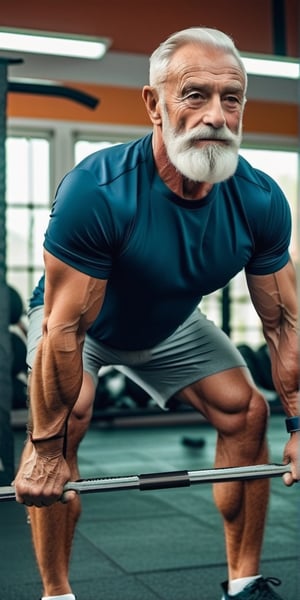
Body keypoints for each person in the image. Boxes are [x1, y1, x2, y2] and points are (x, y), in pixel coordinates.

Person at [14, 27, 299, 600]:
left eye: (232, 97)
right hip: (84, 326)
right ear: (154, 104)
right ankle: (57, 593)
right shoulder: (99, 190)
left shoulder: (261, 199)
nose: (216, 115)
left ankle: (243, 582)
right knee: (69, 415)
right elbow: (64, 328)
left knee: (245, 411)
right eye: (195, 94)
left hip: (171, 324)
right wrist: (45, 450)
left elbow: (284, 323)